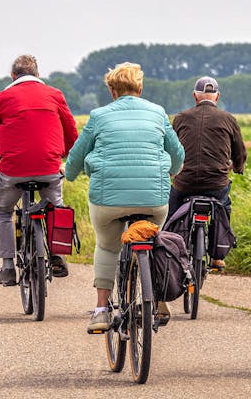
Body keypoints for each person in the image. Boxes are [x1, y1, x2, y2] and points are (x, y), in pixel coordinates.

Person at [64, 62, 185, 332]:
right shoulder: (158, 113)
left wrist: (70, 174)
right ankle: (157, 298)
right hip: (153, 200)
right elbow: (177, 155)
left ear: (111, 90)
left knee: (107, 246)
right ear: (140, 88)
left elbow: (76, 157)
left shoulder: (98, 116)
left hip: (108, 201)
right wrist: (172, 171)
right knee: (153, 240)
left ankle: (101, 310)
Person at [0, 55, 78, 286]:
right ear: (37, 74)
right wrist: (66, 153)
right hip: (49, 167)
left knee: (3, 212)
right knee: (57, 208)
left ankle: (7, 267)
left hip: (13, 170)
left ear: (13, 76)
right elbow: (70, 129)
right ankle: (57, 255)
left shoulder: (1, 98)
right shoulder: (55, 95)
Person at [168, 76, 246, 270]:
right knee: (224, 207)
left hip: (184, 182)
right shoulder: (229, 119)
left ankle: (169, 250)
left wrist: (171, 170)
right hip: (216, 184)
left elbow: (168, 149)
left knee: (171, 212)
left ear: (195, 96)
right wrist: (238, 167)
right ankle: (218, 256)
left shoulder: (180, 118)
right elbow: (240, 152)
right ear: (217, 97)